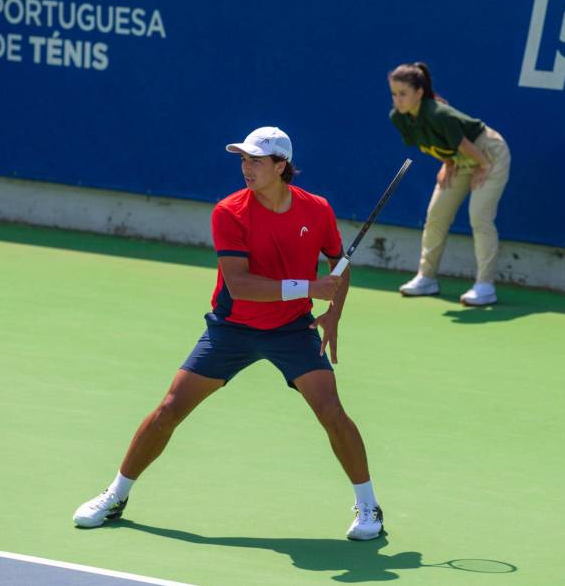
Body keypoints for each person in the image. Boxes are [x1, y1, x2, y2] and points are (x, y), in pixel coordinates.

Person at [73, 127, 385, 541]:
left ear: (281, 166)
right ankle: (116, 495)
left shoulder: (317, 210)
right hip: (232, 328)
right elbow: (241, 285)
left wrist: (334, 316)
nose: (246, 168)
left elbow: (338, 268)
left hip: (292, 329)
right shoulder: (229, 211)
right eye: (243, 159)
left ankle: (370, 508)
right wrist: (311, 289)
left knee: (331, 410)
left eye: (255, 160)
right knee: (169, 409)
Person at [387, 62, 511, 306]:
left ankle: (485, 286)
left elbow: (465, 144)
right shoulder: (399, 118)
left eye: (403, 94)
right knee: (436, 215)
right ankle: (426, 278)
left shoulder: (438, 114)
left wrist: (482, 167)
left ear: (419, 93)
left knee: (479, 217)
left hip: (489, 154)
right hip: (459, 159)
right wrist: (449, 163)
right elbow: (431, 143)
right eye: (394, 94)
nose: (398, 100)